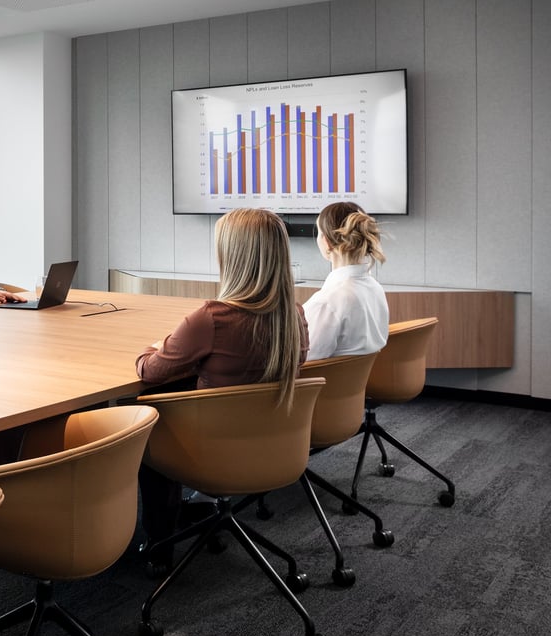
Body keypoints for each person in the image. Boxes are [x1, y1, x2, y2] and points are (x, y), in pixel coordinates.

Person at [134, 208, 309, 559]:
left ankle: (159, 544)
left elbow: (149, 371)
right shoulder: (295, 316)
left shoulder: (212, 318)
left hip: (211, 453)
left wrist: (155, 347)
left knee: (145, 410)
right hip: (275, 446)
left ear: (233, 257)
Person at [302, 202, 389, 361]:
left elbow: (302, 360)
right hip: (356, 385)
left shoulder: (326, 303)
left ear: (326, 242)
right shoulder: (375, 289)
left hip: (325, 385)